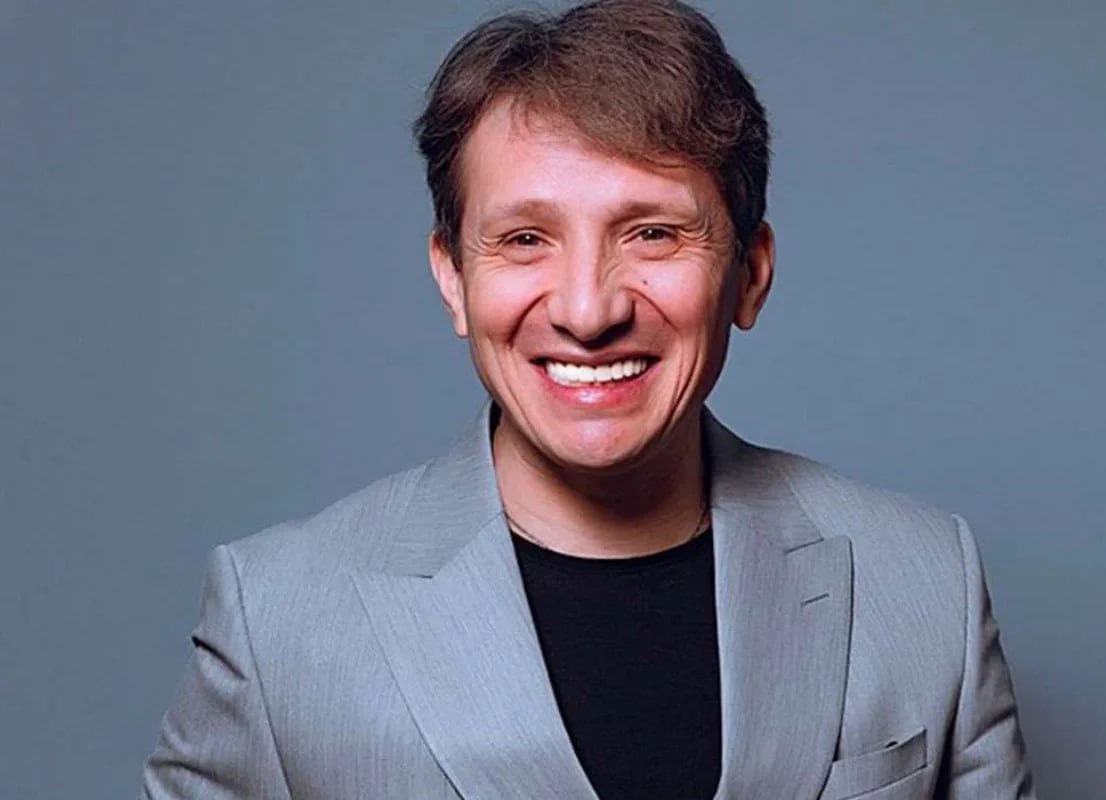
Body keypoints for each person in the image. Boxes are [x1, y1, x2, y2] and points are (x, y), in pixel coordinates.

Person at [142, 1, 1035, 797]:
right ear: (453, 280)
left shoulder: (926, 582)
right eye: (525, 239)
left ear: (750, 275)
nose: (587, 310)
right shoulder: (278, 619)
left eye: (653, 233)